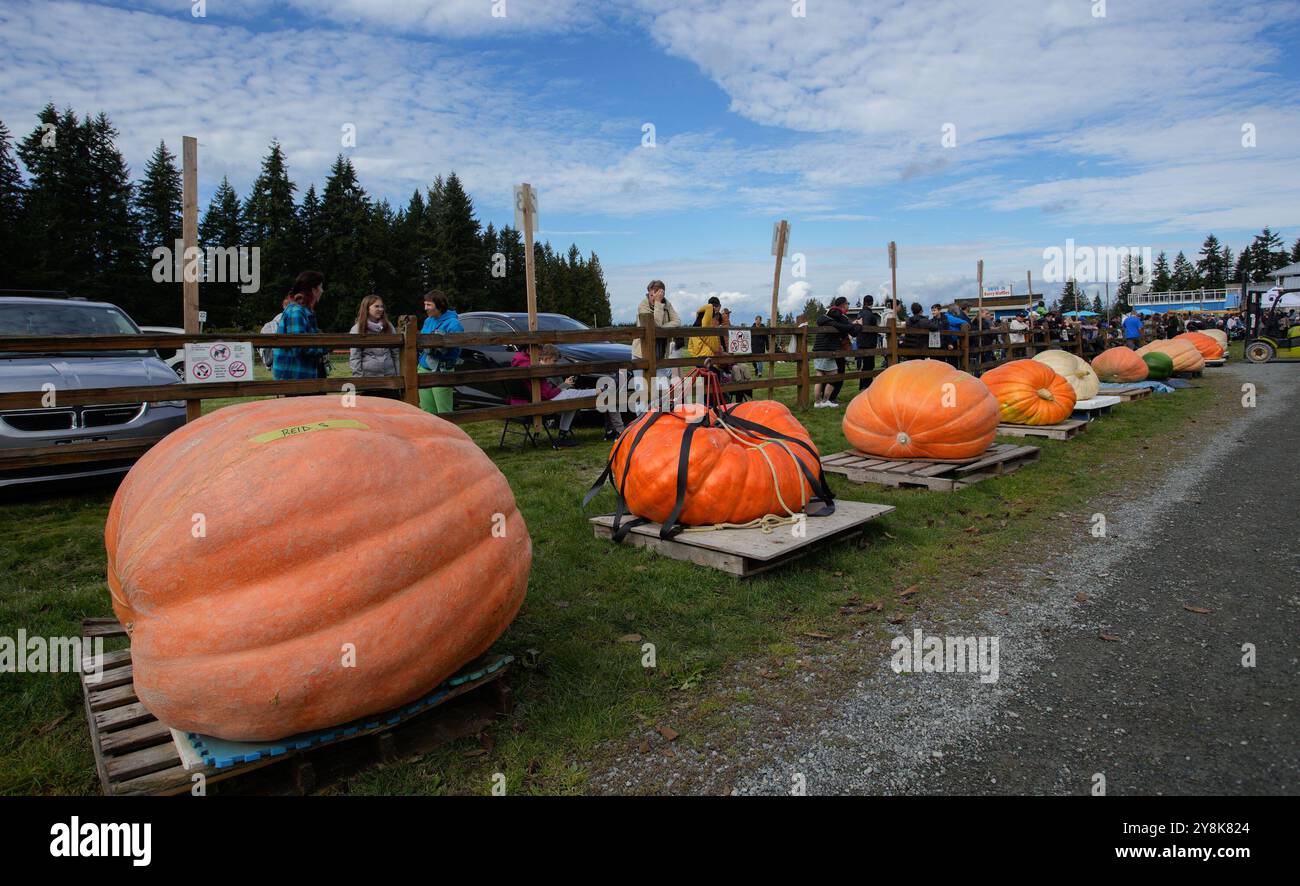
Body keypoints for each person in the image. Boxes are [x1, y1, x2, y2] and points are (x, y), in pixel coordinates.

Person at [526, 344, 625, 446]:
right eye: (554, 361)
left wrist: (564, 385)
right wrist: (564, 386)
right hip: (548, 401)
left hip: (552, 397)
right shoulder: (540, 371)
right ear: (546, 358)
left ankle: (563, 436)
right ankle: (602, 391)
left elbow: (551, 391)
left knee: (574, 401)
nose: (555, 364)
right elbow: (548, 393)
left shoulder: (543, 369)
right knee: (575, 394)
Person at [630, 280, 680, 412]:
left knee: (662, 390)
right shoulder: (643, 305)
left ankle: (659, 421)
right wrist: (658, 304)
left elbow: (677, 321)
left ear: (662, 294)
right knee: (642, 391)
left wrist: (662, 329)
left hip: (659, 356)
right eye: (651, 295)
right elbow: (654, 324)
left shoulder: (666, 304)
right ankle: (641, 423)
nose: (653, 298)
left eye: (657, 295)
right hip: (641, 355)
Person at [272, 270, 330, 381]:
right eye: (321, 287)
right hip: (295, 377)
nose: (322, 291)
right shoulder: (297, 312)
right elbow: (300, 347)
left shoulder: (303, 311)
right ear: (313, 290)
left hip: (302, 375)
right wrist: (326, 347)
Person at [418, 290, 463, 414]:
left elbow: (456, 350)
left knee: (444, 411)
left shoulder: (454, 324)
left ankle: (448, 434)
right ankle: (430, 434)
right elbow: (421, 341)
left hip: (442, 370)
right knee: (426, 410)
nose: (425, 308)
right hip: (424, 368)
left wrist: (441, 348)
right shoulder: (428, 320)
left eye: (429, 305)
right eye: (425, 304)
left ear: (440, 305)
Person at [348, 295, 400, 397]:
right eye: (376, 306)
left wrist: (399, 378)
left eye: (382, 306)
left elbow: (396, 354)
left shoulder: (389, 327)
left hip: (389, 379)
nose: (380, 309)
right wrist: (359, 381)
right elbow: (355, 357)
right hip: (369, 380)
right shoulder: (357, 329)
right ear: (367, 308)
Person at [813, 297, 858, 407]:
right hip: (829, 348)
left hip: (818, 348)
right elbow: (852, 331)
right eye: (848, 303)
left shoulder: (826, 316)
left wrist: (850, 324)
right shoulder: (839, 316)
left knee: (820, 375)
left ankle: (818, 402)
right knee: (834, 376)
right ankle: (826, 400)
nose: (848, 306)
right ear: (843, 305)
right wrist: (857, 325)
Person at [855, 296, 879, 390]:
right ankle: (867, 386)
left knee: (865, 365)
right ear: (871, 302)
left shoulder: (860, 313)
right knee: (869, 365)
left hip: (860, 341)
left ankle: (863, 386)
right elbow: (867, 327)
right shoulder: (869, 314)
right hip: (868, 342)